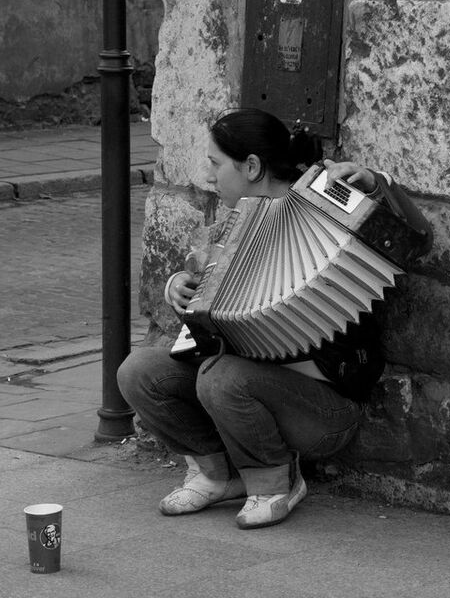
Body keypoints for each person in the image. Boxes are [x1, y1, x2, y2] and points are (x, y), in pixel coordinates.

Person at [117, 108, 432, 529]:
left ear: (251, 167)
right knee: (138, 371)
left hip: (324, 409)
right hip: (238, 385)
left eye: (215, 164)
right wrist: (181, 285)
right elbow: (206, 292)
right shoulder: (235, 220)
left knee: (221, 376)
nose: (207, 177)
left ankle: (275, 482)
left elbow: (417, 240)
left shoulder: (325, 199)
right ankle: (217, 475)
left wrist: (378, 185)